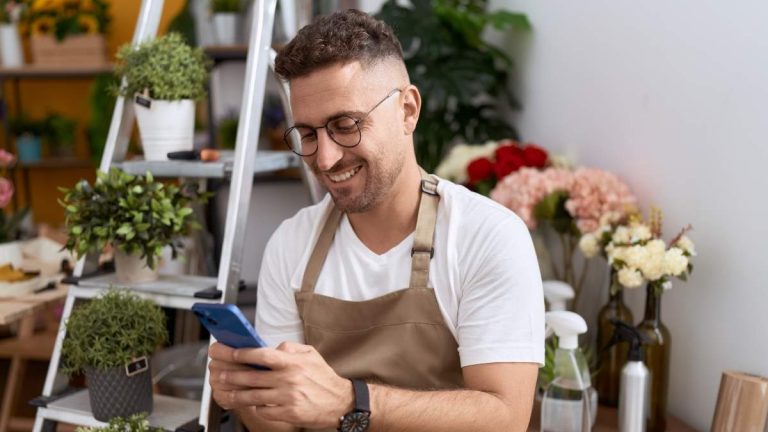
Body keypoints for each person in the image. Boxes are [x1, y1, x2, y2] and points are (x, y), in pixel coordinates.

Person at [208, 9, 544, 432]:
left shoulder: (487, 236)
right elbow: (280, 427)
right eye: (308, 135)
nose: (326, 159)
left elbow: (506, 418)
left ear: (407, 110)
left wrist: (352, 401)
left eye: (345, 125)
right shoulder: (292, 242)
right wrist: (249, 396)